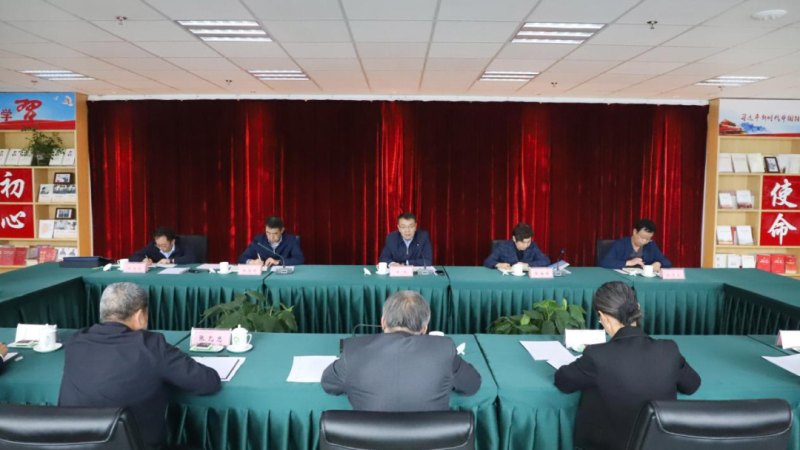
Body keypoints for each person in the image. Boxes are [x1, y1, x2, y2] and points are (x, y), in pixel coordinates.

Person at [59, 282, 221, 449]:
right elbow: (208, 382)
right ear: (139, 315)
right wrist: (172, 356)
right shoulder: (150, 346)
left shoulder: (75, 341)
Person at [554, 282, 701, 450]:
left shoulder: (597, 355)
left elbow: (563, 381)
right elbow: (692, 385)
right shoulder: (669, 349)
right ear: (637, 308)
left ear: (603, 316)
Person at [321, 290, 481, 411]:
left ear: (383, 322)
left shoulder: (354, 349)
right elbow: (472, 385)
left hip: (369, 441)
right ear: (424, 328)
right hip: (429, 441)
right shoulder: (444, 350)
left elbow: (329, 384)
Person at [600, 219, 671, 272]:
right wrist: (628, 262)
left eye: (648, 238)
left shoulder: (651, 245)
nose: (644, 241)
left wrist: (659, 263)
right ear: (635, 232)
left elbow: (667, 261)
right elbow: (605, 262)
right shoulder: (620, 244)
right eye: (642, 237)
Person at [238, 216, 304, 266]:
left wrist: (278, 262)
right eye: (268, 233)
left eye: (275, 233)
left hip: (283, 275)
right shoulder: (258, 241)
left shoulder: (291, 240)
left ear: (282, 230)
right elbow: (242, 258)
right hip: (264, 275)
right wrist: (252, 262)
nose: (271, 237)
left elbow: (299, 259)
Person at [483, 222, 550, 269]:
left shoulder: (533, 246)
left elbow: (546, 261)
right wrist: (499, 264)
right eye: (523, 242)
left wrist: (527, 264)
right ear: (514, 239)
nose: (526, 245)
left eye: (528, 242)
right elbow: (488, 261)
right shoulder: (503, 246)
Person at [129, 227, 197, 265]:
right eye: (158, 245)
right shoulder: (153, 246)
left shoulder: (182, 243)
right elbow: (133, 257)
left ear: (172, 241)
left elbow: (191, 258)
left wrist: (170, 261)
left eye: (164, 245)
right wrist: (143, 260)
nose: (161, 248)